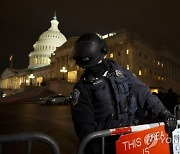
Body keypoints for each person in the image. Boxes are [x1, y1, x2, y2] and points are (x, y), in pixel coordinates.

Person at [70, 33, 177, 154]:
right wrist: (94, 148)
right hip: (105, 144)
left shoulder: (122, 73)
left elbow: (144, 94)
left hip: (130, 139)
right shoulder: (82, 87)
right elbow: (84, 124)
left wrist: (164, 112)